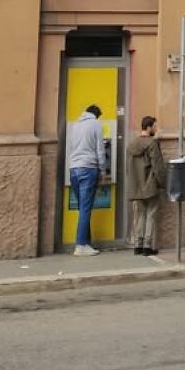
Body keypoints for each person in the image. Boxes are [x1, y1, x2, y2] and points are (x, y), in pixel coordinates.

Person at [69, 103, 107, 256]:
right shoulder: (96, 125)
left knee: (82, 208)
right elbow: (100, 150)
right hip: (88, 168)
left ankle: (86, 242)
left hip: (74, 169)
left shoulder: (75, 125)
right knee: (85, 208)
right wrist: (103, 169)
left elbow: (71, 147)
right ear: (96, 115)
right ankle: (81, 245)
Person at [127, 115, 166, 256]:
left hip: (136, 185)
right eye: (155, 126)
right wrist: (162, 182)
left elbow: (128, 168)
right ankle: (147, 246)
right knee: (151, 214)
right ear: (149, 127)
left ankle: (138, 245)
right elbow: (158, 166)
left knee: (140, 215)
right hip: (150, 185)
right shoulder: (152, 144)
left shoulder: (131, 145)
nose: (156, 129)